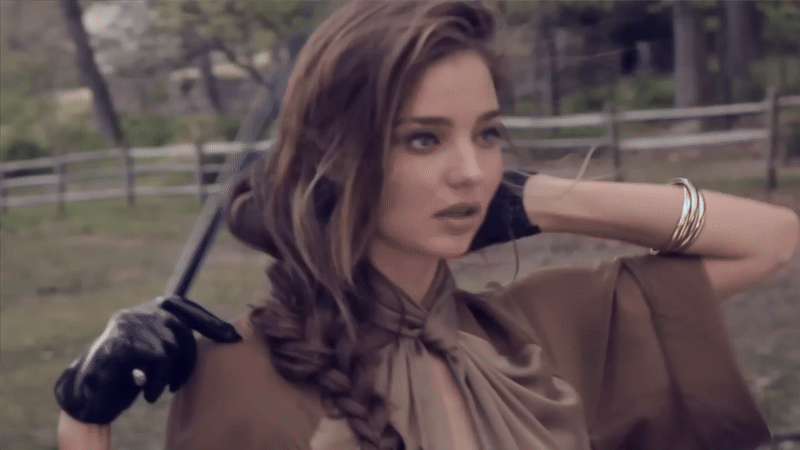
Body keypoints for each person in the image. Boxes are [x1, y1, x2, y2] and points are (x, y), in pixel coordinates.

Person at [54, 1, 799, 449]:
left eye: (487, 133)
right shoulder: (240, 374)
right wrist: (84, 419)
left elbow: (771, 238)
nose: (471, 172)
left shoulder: (539, 325)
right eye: (422, 139)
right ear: (334, 157)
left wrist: (539, 200)